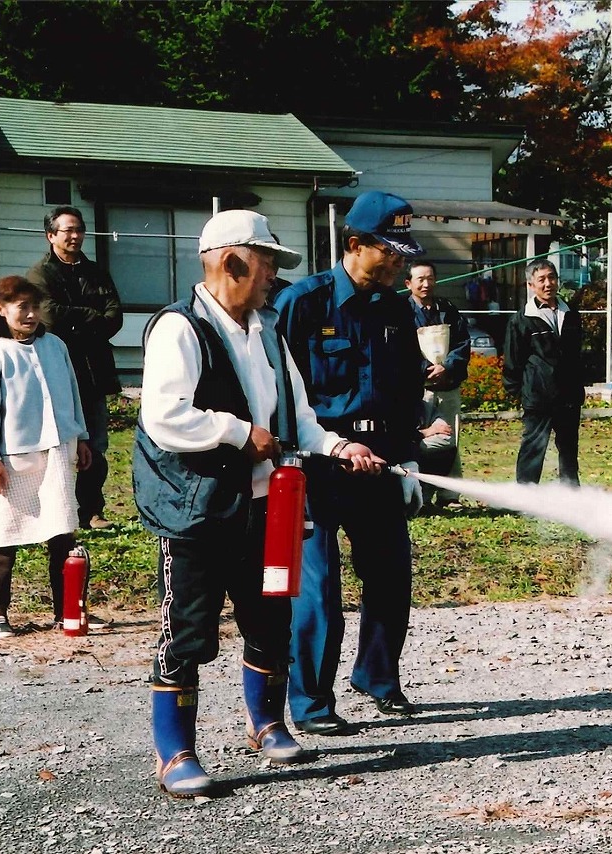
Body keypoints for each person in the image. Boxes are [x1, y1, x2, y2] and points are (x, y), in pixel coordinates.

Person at [133, 210, 380, 797]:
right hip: (197, 509)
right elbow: (164, 415)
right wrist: (240, 433)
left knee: (270, 618)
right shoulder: (179, 328)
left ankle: (266, 723)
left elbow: (297, 415)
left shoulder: (265, 330)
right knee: (186, 631)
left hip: (268, 507)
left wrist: (340, 445)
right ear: (231, 260)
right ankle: (175, 752)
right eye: (268, 262)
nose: (274, 275)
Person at [274, 191, 425, 736]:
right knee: (318, 590)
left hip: (381, 461)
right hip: (316, 467)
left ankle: (378, 678)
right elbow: (278, 394)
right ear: (356, 245)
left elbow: (407, 385)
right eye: (391, 252)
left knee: (390, 576)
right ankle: (312, 703)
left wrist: (406, 453)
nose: (400, 263)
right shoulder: (303, 303)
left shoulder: (396, 308)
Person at [0, 276, 92, 639]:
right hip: (14, 457)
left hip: (58, 447)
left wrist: (80, 435)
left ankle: (67, 610)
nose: (31, 315)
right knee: (3, 537)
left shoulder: (55, 345)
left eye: (35, 307)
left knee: (62, 531)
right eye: (22, 308)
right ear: (1, 310)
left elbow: (72, 390)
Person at [27, 206, 123, 530]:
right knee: (57, 446)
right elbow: (49, 316)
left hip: (94, 371)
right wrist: (91, 317)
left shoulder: (97, 272)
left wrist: (78, 320)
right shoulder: (40, 274)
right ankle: (56, 512)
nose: (74, 235)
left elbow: (115, 316)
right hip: (56, 371)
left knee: (96, 444)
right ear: (51, 235)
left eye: (78, 229)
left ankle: (91, 510)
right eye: (67, 230)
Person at [502, 260, 585, 485]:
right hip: (538, 396)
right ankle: (527, 494)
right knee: (533, 446)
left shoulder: (571, 314)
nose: (548, 284)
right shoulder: (521, 319)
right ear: (531, 285)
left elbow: (577, 355)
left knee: (568, 447)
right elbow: (513, 360)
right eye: (542, 280)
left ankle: (570, 492)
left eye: (552, 277)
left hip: (568, 396)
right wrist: (518, 391)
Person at [406, 260, 469, 507]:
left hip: (448, 386)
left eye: (430, 278)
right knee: (423, 442)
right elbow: (401, 349)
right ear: (408, 283)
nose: (425, 284)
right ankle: (422, 491)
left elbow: (463, 342)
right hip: (419, 389)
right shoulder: (402, 311)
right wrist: (425, 369)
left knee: (450, 439)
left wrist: (448, 367)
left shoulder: (448, 309)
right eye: (420, 279)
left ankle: (449, 495)